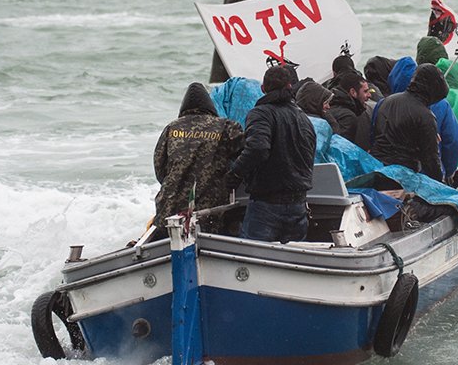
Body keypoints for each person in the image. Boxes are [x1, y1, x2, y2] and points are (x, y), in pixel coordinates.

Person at [229, 65, 317, 242]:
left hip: (266, 203)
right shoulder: (303, 118)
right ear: (290, 87)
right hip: (299, 203)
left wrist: (234, 174)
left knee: (253, 258)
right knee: (294, 261)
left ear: (263, 88)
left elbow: (258, 148)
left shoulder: (261, 114)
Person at [152, 83, 245, 234]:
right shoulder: (226, 127)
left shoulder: (172, 128)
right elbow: (248, 157)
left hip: (169, 206)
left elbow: (159, 168)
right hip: (210, 209)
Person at [387, 56, 458, 178]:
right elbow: (454, 140)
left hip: (388, 173)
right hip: (426, 176)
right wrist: (447, 172)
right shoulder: (438, 105)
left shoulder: (385, 103)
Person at [370, 63, 449, 182]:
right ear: (433, 91)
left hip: (376, 168)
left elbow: (373, 134)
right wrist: (441, 185)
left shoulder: (386, 101)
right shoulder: (425, 116)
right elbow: (430, 159)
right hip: (403, 176)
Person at [327, 70, 372, 149]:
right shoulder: (348, 117)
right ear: (353, 92)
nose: (369, 95)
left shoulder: (332, 105)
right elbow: (343, 149)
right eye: (365, 91)